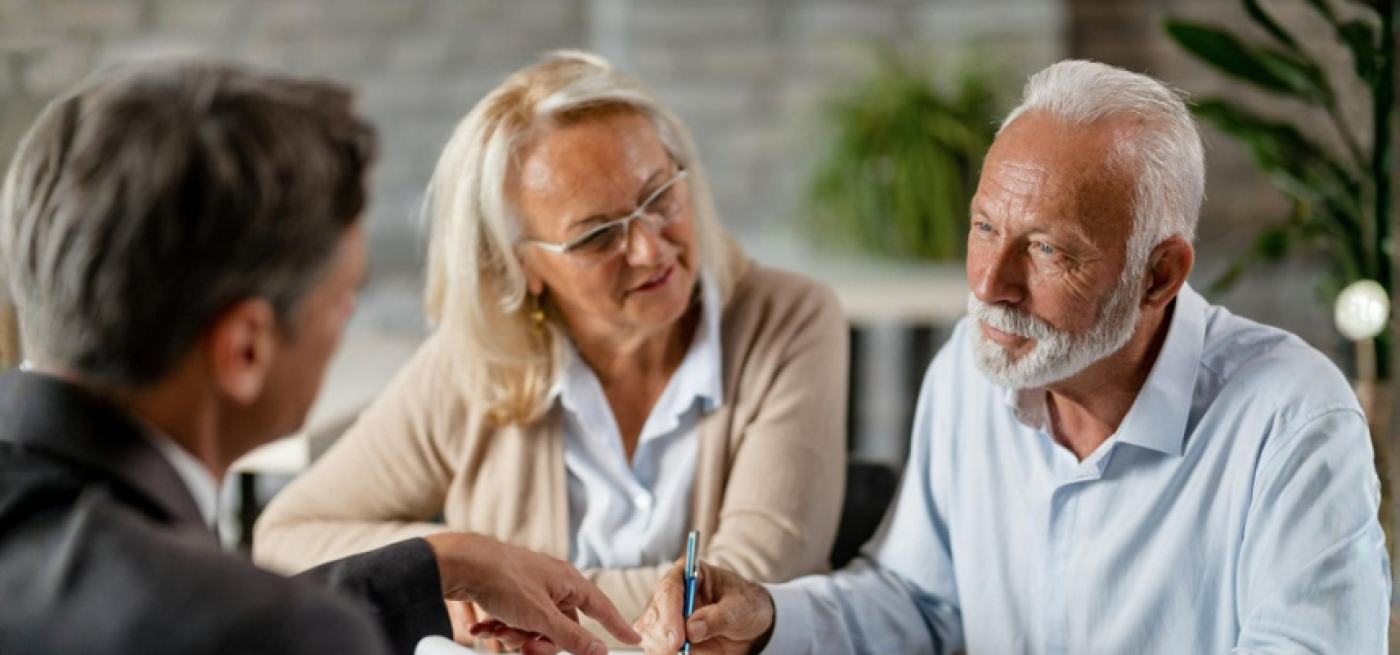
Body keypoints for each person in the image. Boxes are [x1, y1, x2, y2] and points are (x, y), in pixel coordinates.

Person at [633, 60, 1391, 654]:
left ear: (1159, 274)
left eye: (1049, 249)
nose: (992, 285)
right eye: (986, 227)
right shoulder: (971, 365)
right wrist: (766, 617)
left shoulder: (1292, 415)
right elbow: (917, 599)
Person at [0, 60, 640, 655]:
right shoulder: (259, 629)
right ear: (246, 349)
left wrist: (438, 566)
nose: (348, 320)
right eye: (342, 297)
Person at [252, 50, 849, 647]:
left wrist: (513, 591)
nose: (650, 249)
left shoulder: (790, 318)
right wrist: (456, 565)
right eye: (596, 234)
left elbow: (752, 593)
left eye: (660, 196)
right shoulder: (477, 360)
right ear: (520, 264)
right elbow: (286, 536)